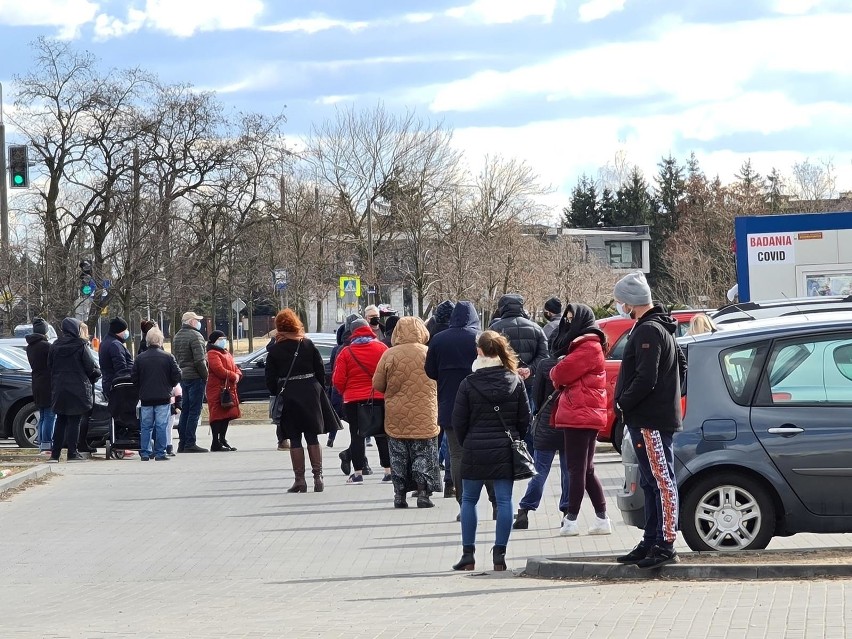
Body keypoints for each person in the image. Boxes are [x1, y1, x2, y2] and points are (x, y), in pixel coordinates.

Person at [613, 271, 687, 569]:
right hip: (651, 417)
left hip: (649, 419)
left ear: (631, 302)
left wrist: (622, 402)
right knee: (651, 481)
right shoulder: (660, 328)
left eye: (620, 301)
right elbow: (681, 366)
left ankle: (665, 542)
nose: (619, 306)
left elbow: (647, 377)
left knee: (660, 480)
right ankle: (652, 538)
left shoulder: (648, 331)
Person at [451, 330, 530, 572]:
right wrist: (514, 438)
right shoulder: (514, 380)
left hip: (475, 447)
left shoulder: (468, 383)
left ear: (480, 351)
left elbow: (458, 421)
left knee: (469, 499)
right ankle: (500, 554)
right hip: (505, 448)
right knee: (504, 500)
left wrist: (469, 441)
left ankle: (468, 554)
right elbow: (525, 419)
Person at [549, 304, 612, 537]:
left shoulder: (587, 346)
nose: (568, 321)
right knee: (585, 470)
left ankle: (571, 520)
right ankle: (602, 518)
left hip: (580, 414)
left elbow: (560, 373)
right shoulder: (588, 345)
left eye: (571, 318)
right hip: (584, 413)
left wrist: (556, 372)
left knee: (576, 469)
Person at [372, 316, 440, 508]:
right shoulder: (429, 352)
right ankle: (423, 493)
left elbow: (378, 384)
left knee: (399, 455)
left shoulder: (389, 354)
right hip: (426, 411)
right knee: (424, 453)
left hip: (396, 413)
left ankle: (399, 495)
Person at [512, 329, 571, 530]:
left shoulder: (545, 365)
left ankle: (525, 509)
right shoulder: (573, 365)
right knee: (568, 470)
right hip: (568, 424)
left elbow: (536, 397)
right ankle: (567, 511)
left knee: (540, 470)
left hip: (546, 423)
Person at [265, 309, 328, 493]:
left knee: (294, 438)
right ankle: (318, 477)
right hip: (310, 393)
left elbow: (270, 380)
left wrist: (279, 390)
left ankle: (300, 480)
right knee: (312, 436)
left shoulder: (275, 349)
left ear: (279, 327)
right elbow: (320, 371)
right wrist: (318, 390)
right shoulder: (307, 344)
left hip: (289, 395)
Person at [425, 301, 481, 506]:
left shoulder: (438, 339)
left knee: (457, 454)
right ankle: (496, 502)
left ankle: (463, 502)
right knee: (487, 453)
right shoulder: (479, 338)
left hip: (449, 403)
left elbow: (430, 371)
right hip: (478, 405)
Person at [332, 317, 390, 485]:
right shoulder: (381, 348)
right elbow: (389, 373)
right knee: (382, 435)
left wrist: (347, 392)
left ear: (352, 332)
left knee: (357, 436)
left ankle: (357, 474)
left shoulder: (346, 352)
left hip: (353, 400)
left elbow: (338, 380)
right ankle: (388, 471)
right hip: (378, 397)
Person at [47, 318, 101, 463]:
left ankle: (55, 454)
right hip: (77, 388)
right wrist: (96, 374)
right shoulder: (81, 346)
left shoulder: (54, 346)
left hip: (59, 388)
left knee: (60, 420)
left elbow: (50, 366)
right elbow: (90, 367)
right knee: (74, 421)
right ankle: (72, 453)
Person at [489, 294, 548, 409]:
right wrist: (530, 369)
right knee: (528, 415)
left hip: (503, 381)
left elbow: (489, 356)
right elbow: (544, 355)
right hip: (529, 381)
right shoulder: (536, 329)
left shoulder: (494, 329)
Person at [132, 327, 181, 461]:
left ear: (147, 341)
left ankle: (145, 452)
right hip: (163, 396)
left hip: (146, 397)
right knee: (161, 426)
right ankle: (160, 452)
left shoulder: (140, 358)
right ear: (160, 340)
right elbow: (177, 375)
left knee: (146, 426)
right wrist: (169, 385)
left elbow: (134, 377)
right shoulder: (168, 357)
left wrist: (141, 388)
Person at [173, 311, 209, 453]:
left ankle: (182, 442)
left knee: (185, 410)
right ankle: (190, 442)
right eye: (196, 320)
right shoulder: (196, 336)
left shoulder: (177, 336)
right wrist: (205, 375)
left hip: (183, 376)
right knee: (194, 410)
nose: (198, 323)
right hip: (195, 377)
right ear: (191, 322)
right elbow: (199, 360)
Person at [206, 331, 242, 452]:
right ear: (215, 340)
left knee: (226, 413)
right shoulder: (212, 353)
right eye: (221, 338)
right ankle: (215, 442)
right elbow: (219, 370)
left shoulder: (226, 352)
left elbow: (235, 367)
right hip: (216, 388)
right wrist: (233, 376)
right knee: (217, 415)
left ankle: (222, 439)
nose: (223, 341)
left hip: (227, 388)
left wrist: (237, 374)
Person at [26, 318, 55, 456]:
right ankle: (47, 445)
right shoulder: (46, 346)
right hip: (47, 383)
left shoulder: (30, 346)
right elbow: (52, 364)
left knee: (42, 415)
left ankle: (42, 445)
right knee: (49, 415)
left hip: (36, 383)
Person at [99, 317, 133, 399]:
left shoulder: (105, 342)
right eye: (125, 330)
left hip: (109, 384)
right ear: (119, 331)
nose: (126, 332)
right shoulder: (115, 345)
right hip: (118, 387)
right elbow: (121, 368)